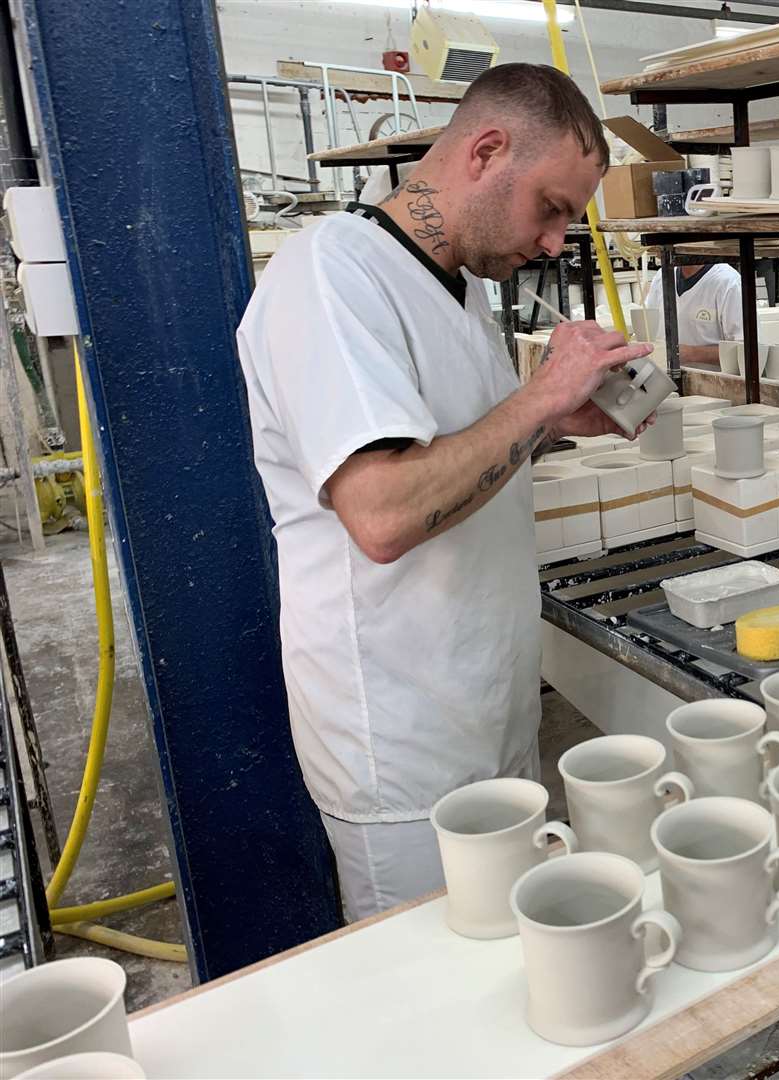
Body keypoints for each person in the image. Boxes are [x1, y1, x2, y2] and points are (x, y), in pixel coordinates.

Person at [236, 64, 652, 920]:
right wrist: (539, 392)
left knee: (507, 967)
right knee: (429, 993)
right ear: (487, 150)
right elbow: (384, 512)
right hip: (401, 740)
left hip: (485, 708)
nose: (553, 242)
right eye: (552, 207)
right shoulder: (330, 274)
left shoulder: (460, 293)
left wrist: (550, 422)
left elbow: (457, 466)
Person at [643, 261, 744, 365]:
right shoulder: (662, 276)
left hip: (708, 379)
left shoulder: (729, 282)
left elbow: (744, 351)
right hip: (662, 375)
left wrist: (691, 354)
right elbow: (647, 327)